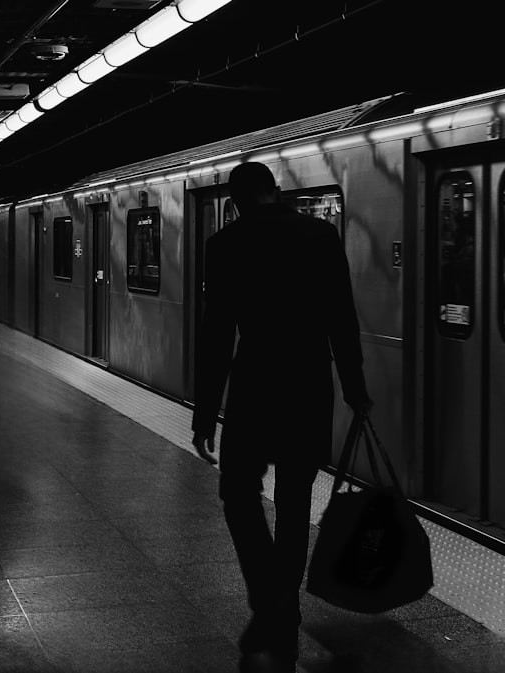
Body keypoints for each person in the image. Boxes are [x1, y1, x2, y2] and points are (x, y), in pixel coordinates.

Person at [191, 161, 372, 671]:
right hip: (309, 386)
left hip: (253, 389)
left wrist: (205, 414)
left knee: (237, 495)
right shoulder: (319, 236)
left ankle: (268, 601)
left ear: (236, 202)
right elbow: (342, 317)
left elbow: (217, 334)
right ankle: (282, 602)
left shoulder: (224, 246)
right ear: (276, 191)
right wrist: (355, 390)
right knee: (294, 504)